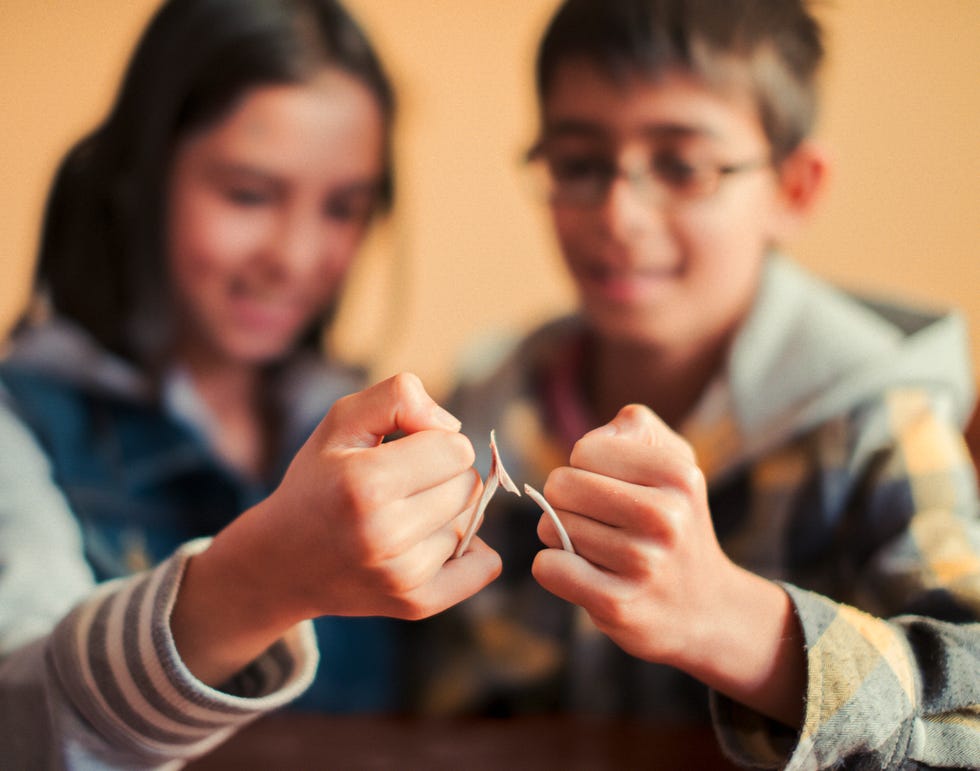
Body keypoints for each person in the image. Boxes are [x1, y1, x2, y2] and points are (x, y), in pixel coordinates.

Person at [431, 1, 980, 768]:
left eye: (684, 167)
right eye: (580, 165)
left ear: (795, 188)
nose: (619, 215)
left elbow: (971, 713)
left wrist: (731, 619)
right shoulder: (486, 410)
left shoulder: (876, 420)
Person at [0, 0, 499, 766]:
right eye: (248, 194)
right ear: (140, 178)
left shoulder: (402, 430)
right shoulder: (19, 427)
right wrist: (261, 580)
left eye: (343, 208)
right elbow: (20, 718)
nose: (295, 258)